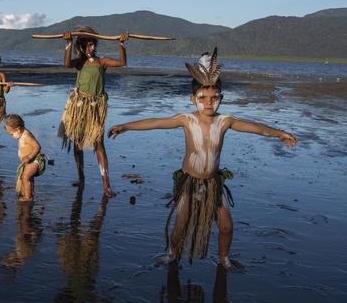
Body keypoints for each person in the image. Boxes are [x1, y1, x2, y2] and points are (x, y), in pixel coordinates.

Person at [107, 48, 297, 269]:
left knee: (226, 226)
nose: (209, 103)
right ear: (192, 98)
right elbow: (155, 122)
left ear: (221, 98)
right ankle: (172, 253)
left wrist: (278, 133)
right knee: (181, 223)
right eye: (203, 98)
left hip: (213, 183)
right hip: (190, 182)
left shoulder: (224, 121)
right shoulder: (187, 120)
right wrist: (125, 126)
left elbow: (253, 127)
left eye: (214, 98)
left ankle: (224, 259)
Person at [59, 27, 129, 197]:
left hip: (96, 107)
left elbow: (122, 62)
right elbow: (67, 64)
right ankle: (81, 177)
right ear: (82, 47)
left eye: (93, 45)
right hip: (79, 107)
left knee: (98, 144)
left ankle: (106, 184)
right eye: (88, 45)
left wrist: (120, 43)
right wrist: (68, 43)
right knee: (78, 143)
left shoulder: (101, 62)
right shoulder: (79, 63)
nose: (91, 48)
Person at [3, 114, 46, 202]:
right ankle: (30, 193)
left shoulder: (26, 136)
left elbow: (37, 146)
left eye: (11, 134)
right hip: (29, 161)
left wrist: (29, 156)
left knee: (25, 177)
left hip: (34, 160)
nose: (11, 136)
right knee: (29, 178)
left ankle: (28, 197)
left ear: (18, 129)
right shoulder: (21, 134)